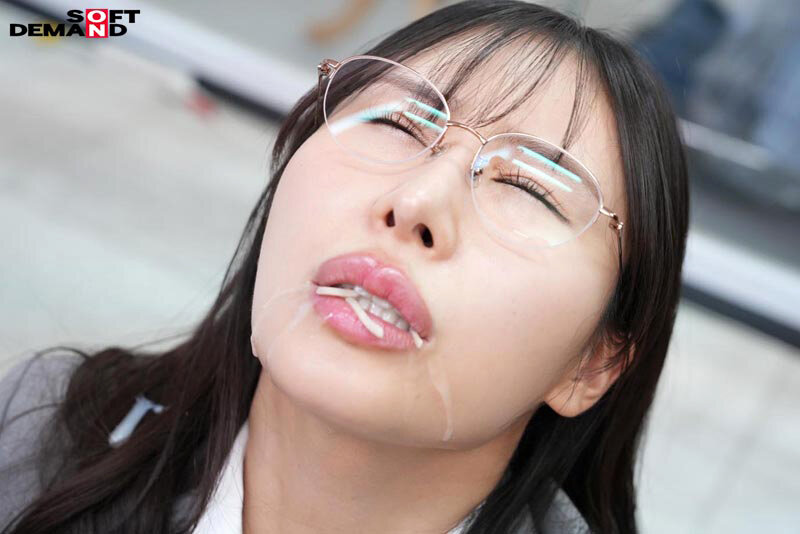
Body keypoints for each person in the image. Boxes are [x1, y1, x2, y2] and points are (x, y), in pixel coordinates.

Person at [0, 1, 689, 533]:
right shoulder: (47, 433)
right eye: (397, 123)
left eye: (529, 187)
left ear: (594, 363)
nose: (415, 202)